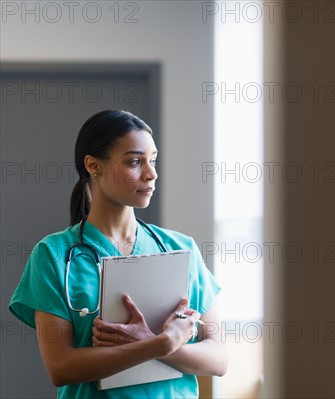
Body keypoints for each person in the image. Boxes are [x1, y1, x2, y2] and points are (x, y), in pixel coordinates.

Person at [8, 110, 227, 398]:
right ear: (93, 165)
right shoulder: (53, 254)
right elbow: (61, 367)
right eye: (134, 162)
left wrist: (154, 341)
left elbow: (218, 359)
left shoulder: (180, 248)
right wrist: (159, 344)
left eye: (153, 160)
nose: (151, 173)